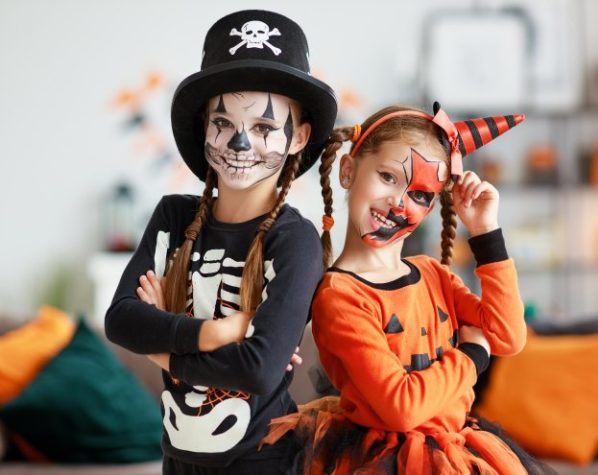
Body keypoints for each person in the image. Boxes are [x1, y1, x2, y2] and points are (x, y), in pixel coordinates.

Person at [261, 103, 553, 474]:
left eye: (419, 195)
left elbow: (508, 336)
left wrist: (485, 234)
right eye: (387, 176)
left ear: (431, 208)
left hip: (456, 451)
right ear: (348, 170)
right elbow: (402, 408)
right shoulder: (340, 296)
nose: (398, 202)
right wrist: (472, 358)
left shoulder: (433, 274)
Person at [104, 10, 337, 474]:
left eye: (266, 128)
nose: (240, 144)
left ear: (300, 138)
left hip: (263, 463)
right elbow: (121, 321)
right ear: (204, 127)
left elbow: (258, 370)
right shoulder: (174, 216)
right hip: (177, 460)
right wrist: (216, 333)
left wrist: (160, 347)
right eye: (223, 123)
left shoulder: (295, 240)